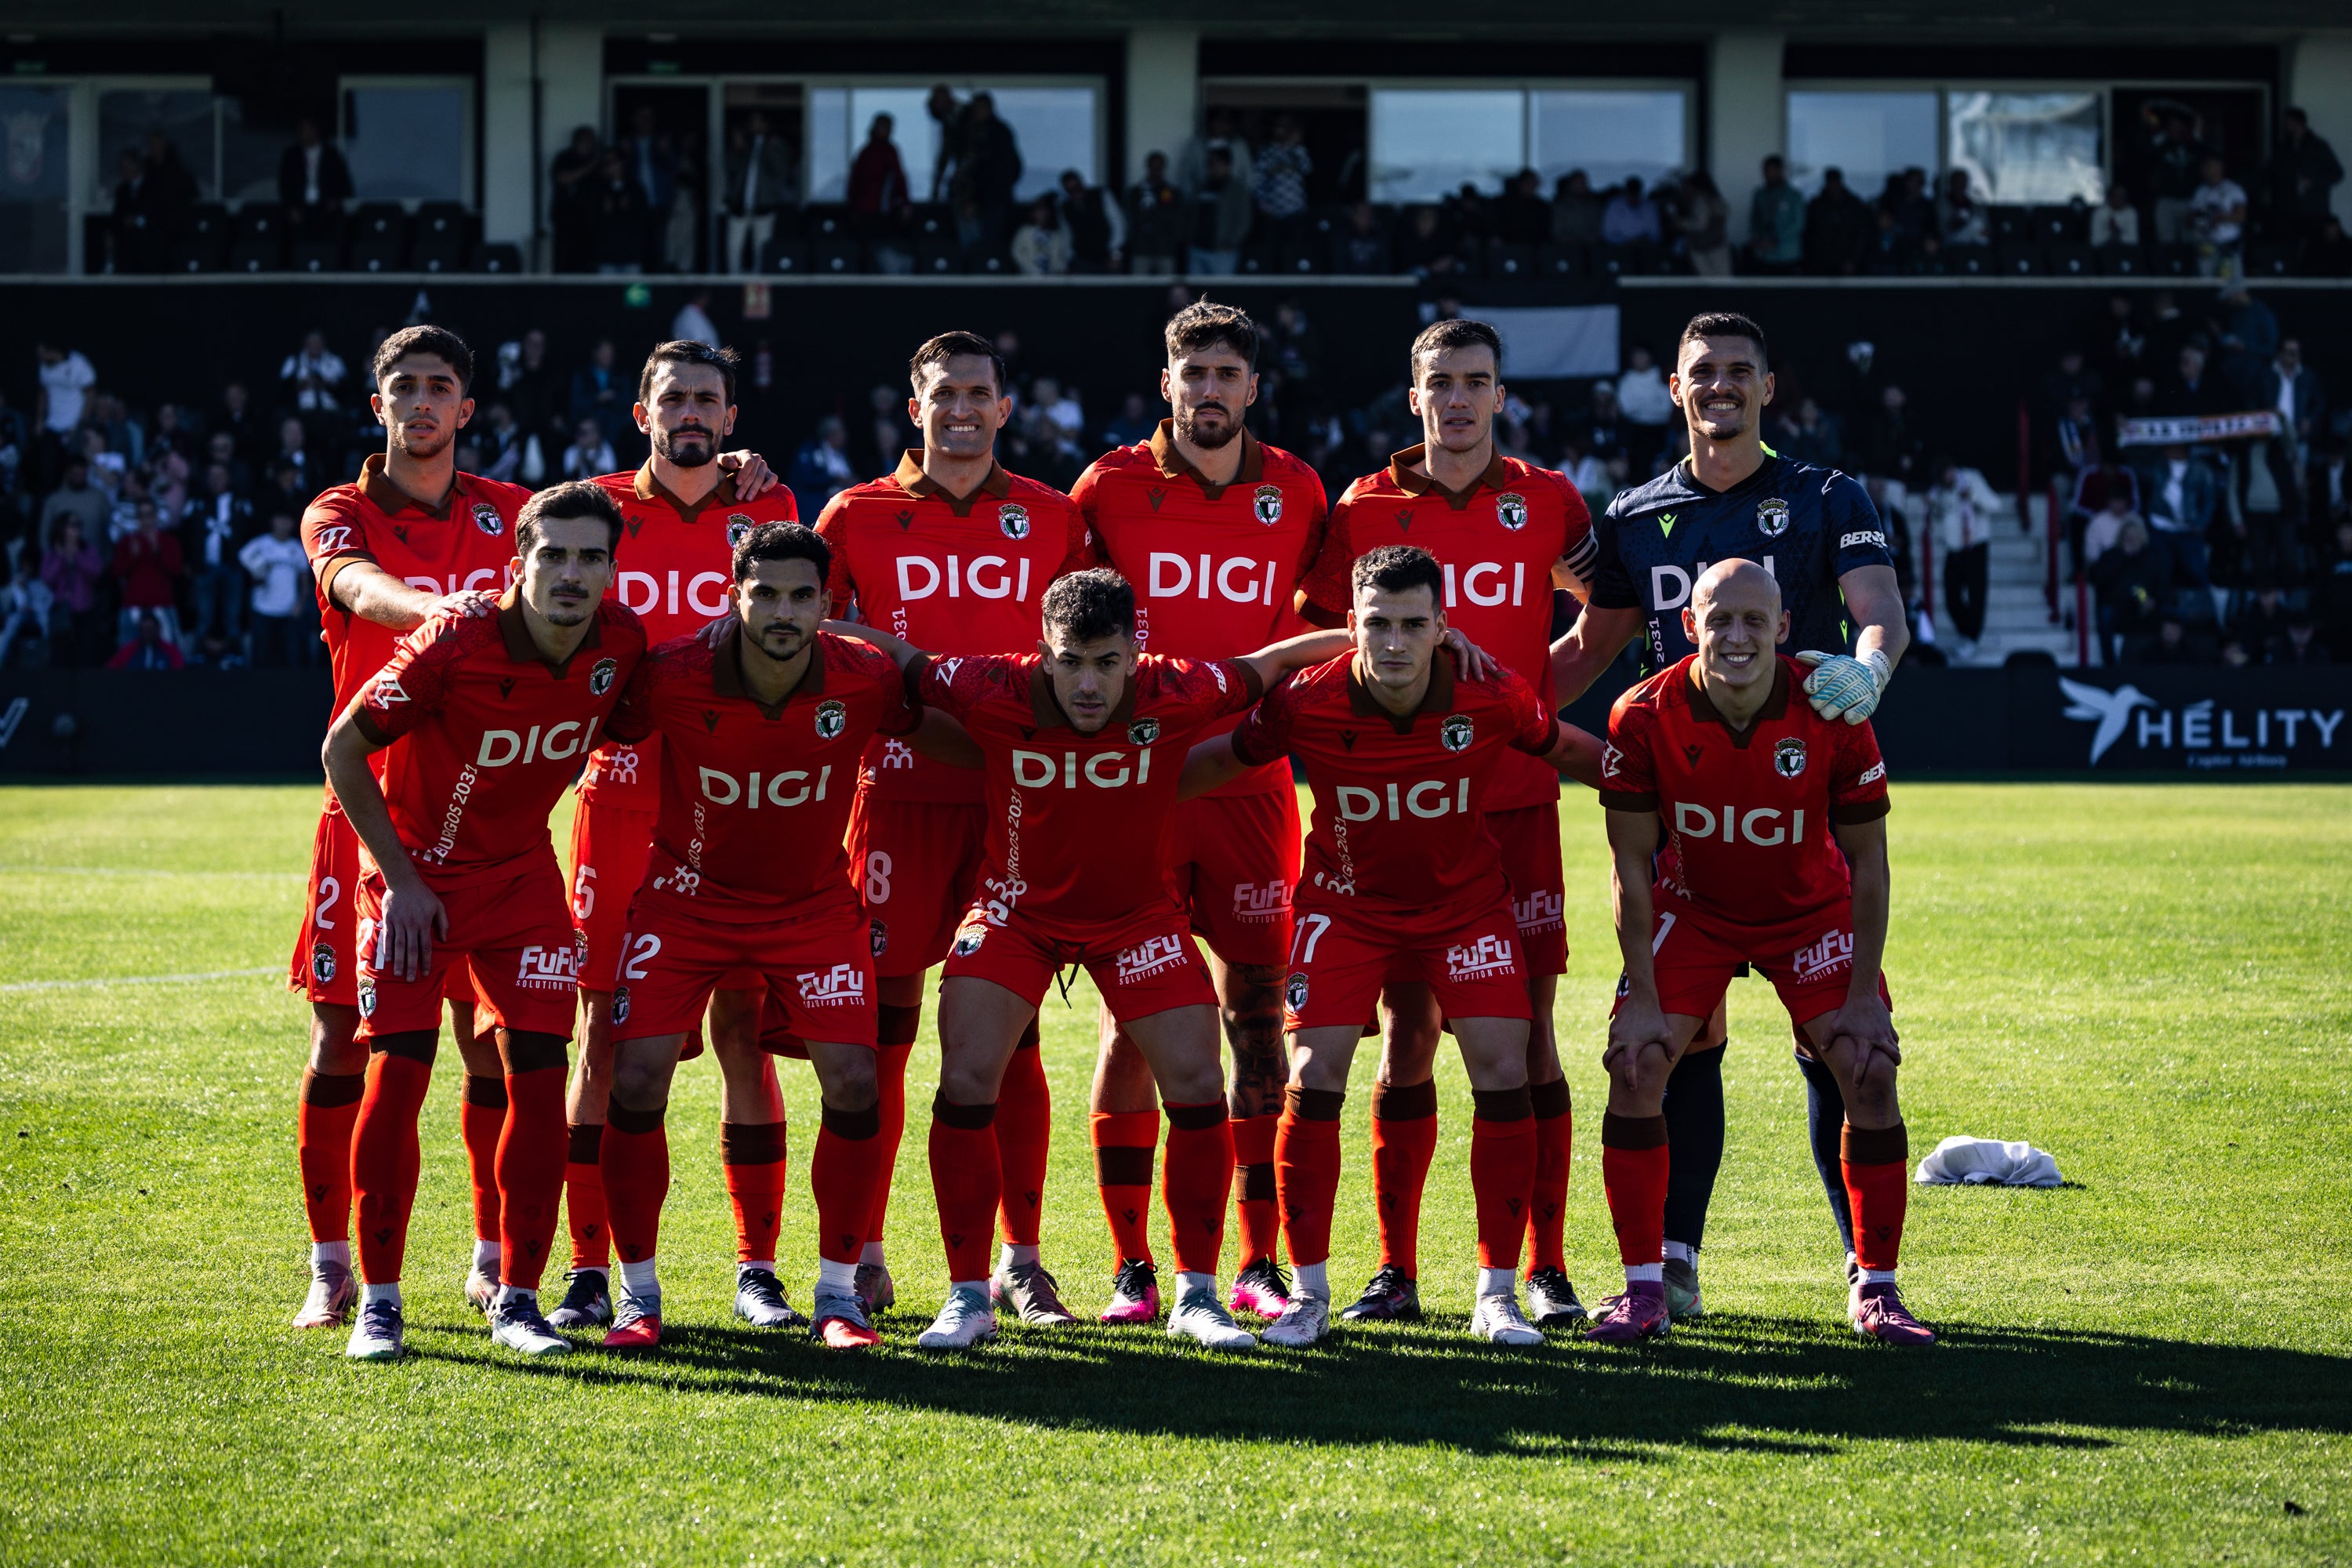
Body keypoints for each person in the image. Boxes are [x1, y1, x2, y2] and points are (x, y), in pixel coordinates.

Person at [831, 571, 1355, 1351]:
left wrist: (1374, 639)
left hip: (1137, 919)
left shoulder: (1178, 687)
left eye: (1106, 663)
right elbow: (902, 659)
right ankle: (969, 1296)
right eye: (1070, 661)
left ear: (1134, 653)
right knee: (965, 1077)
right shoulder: (991, 684)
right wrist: (802, 631)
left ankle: (1197, 1294)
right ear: (1042, 652)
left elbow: (1273, 661)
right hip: (1013, 912)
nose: (1087, 683)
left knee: (1198, 1079)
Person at [1548, 311, 1908, 1320]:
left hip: (1800, 793)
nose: (1721, 386)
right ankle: (1671, 1265)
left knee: (1836, 1046)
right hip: (1682, 803)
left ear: (1767, 387)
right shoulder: (1636, 513)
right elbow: (1590, 648)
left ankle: (1868, 1273)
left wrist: (1871, 670)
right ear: (1675, 388)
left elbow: (1879, 610)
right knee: (1681, 1040)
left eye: (1739, 371)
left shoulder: (1826, 495)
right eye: (1702, 371)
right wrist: (1492, 707)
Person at [1184, 545, 1599, 1346]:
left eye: (1413, 624)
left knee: (1505, 1068)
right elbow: (1225, 757)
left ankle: (1497, 1294)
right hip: (1345, 907)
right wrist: (1125, 785)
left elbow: (1571, 751)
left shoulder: (1491, 693)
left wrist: (1677, 782)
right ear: (1352, 625)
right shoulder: (1309, 698)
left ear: (1443, 627)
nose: (1395, 641)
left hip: (1465, 907)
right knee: (1312, 1072)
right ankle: (1308, 1295)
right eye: (1379, 623)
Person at [588, 521, 964, 1352]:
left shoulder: (863, 676)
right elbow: (593, 722)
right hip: (684, 902)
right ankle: (636, 1296)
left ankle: (838, 1296)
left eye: (802, 596)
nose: (784, 612)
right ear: (735, 595)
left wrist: (1024, 757)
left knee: (856, 1081)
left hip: (811, 907)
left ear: (828, 604)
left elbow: (934, 729)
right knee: (638, 1074)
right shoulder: (673, 674)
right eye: (766, 594)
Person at [1296, 318, 1599, 1327]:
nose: (1459, 399)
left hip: (1515, 805)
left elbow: (1606, 608)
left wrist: (1526, 701)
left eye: (1476, 381)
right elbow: (1327, 633)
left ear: (1500, 395)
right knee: (1408, 1034)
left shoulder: (1549, 498)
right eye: (1442, 382)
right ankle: (1396, 1268)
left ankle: (1543, 1265)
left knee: (1530, 1040)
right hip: (1405, 808)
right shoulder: (1362, 507)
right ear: (1414, 395)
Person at [321, 481, 648, 1362]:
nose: (571, 573)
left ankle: (518, 1300)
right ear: (519, 563)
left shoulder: (622, 645)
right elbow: (342, 748)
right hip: (414, 883)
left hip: (520, 885)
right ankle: (379, 1305)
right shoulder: (456, 639)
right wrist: (401, 881)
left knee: (540, 1079)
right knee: (398, 1075)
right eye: (554, 554)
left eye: (590, 557)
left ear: (611, 571)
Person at [811, 332, 1096, 1319]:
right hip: (895, 798)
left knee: (1010, 1040)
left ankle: (1019, 1258)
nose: (962, 409)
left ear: (1005, 408)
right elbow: (818, 636)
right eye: (944, 394)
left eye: (979, 393)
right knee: (880, 1040)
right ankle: (865, 1252)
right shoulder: (855, 514)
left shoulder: (1054, 517)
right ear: (915, 407)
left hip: (1014, 805)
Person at [1587, 558, 1930, 1346]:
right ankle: (1645, 1288)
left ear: (1782, 626)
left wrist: (1863, 997)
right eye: (1719, 619)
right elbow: (1629, 868)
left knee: (1869, 1065)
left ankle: (1877, 1288)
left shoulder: (1832, 708)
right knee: (1635, 1061)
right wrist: (1641, 994)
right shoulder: (1642, 714)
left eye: (1753, 620)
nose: (1736, 635)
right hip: (1694, 911)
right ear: (1690, 626)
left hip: (1808, 913)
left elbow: (1870, 865)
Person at [1070, 301, 1333, 1324]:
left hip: (1250, 787)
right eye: (1195, 374)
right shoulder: (1108, 487)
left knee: (1258, 1016)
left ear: (1253, 386)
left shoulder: (1297, 489)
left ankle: (1258, 1258)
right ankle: (1134, 1266)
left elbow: (1332, 612)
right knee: (1132, 1023)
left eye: (1227, 374)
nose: (1210, 391)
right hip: (1135, 787)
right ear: (1167, 384)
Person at [287, 326, 535, 1334]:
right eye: (405, 387)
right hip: (370, 807)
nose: (422, 401)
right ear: (378, 404)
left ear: (466, 408)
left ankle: (490, 1256)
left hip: (485, 813)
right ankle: (331, 1264)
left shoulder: (510, 509)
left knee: (491, 1043)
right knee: (342, 1041)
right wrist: (442, 613)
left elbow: (612, 526)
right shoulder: (340, 510)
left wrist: (734, 472)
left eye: (440, 387)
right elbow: (356, 585)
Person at [551, 341, 793, 1334]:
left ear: (731, 418)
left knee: (743, 1030)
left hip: (732, 808)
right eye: (673, 398)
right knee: (602, 1040)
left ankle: (758, 1268)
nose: (689, 412)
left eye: (707, 399)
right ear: (641, 413)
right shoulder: (593, 511)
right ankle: (588, 1268)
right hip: (618, 803)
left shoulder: (770, 511)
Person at [1926, 456, 1999, 657]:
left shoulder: (1972, 479)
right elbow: (1939, 518)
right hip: (1954, 549)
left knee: (1976, 596)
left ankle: (1972, 638)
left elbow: (1995, 505)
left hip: (1975, 546)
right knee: (1951, 598)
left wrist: (1973, 496)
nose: (1946, 479)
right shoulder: (1938, 490)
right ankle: (1966, 634)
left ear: (1952, 469)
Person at [182, 459, 252, 663]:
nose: (215, 481)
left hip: (233, 568)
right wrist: (190, 563)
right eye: (211, 476)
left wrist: (245, 565)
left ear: (228, 478)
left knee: (232, 617)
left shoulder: (240, 503)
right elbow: (185, 534)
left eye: (220, 476)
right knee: (204, 616)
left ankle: (237, 658)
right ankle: (197, 657)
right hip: (204, 568)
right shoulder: (196, 503)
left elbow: (250, 533)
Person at [724, 111, 793, 274]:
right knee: (733, 247)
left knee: (761, 249)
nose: (753, 125)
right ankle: (734, 280)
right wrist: (738, 149)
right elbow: (730, 169)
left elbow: (779, 169)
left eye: (757, 122)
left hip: (764, 206)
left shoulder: (776, 144)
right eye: (752, 122)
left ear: (766, 124)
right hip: (740, 206)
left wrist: (768, 146)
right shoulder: (745, 146)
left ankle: (759, 281)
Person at [108, 499, 183, 650]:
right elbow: (116, 573)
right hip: (133, 604)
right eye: (141, 515)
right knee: (128, 652)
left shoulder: (169, 541)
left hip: (162, 604)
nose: (146, 520)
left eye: (149, 515)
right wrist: (132, 556)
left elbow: (176, 570)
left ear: (156, 516)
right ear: (137, 518)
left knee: (170, 651)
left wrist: (158, 552)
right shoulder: (127, 542)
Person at [241, 509, 309, 667]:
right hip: (262, 608)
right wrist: (258, 573)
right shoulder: (260, 544)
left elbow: (305, 582)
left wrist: (300, 605)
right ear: (273, 521)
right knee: (261, 658)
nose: (283, 524)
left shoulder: (297, 548)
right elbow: (243, 562)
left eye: (287, 520)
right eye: (280, 519)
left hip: (289, 611)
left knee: (290, 659)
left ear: (293, 523)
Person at [2264, 107, 2342, 241]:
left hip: (2314, 211)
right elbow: (2270, 173)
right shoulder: (2283, 149)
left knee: (2314, 246)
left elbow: (2337, 173)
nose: (2285, 126)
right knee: (2288, 245)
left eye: (2288, 122)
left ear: (2298, 123)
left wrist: (2313, 181)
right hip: (2288, 211)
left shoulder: (2319, 147)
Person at [40, 516, 107, 667]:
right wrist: (61, 558)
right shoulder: (52, 552)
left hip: (85, 609)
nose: (74, 530)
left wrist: (77, 555)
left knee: (85, 654)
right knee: (60, 654)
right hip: (61, 609)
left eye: (77, 525)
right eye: (71, 526)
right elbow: (47, 578)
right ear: (61, 528)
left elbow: (97, 572)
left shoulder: (87, 550)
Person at [278, 118, 353, 237]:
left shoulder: (331, 155)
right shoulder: (292, 155)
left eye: (307, 130)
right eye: (301, 130)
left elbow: (343, 182)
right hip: (300, 206)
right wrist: (291, 207)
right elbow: (285, 184)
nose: (303, 134)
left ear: (315, 130)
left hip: (326, 206)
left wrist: (335, 199)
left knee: (338, 225)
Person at [1189, 147, 1251, 276]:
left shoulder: (1238, 190)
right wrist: (1189, 237)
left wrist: (1231, 243)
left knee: (1221, 287)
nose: (1214, 167)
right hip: (1198, 248)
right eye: (1210, 163)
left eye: (1218, 163)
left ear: (1227, 165)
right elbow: (1189, 214)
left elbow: (1244, 220)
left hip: (1223, 251)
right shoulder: (1201, 186)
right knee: (1196, 288)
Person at [550, 128, 603, 274]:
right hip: (565, 215)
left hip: (589, 218)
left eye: (591, 141)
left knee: (587, 257)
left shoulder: (597, 160)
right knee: (564, 256)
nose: (589, 144)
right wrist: (589, 167)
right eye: (585, 140)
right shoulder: (565, 158)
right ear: (576, 141)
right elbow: (563, 178)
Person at [2188, 155, 2248, 278]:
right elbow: (2189, 219)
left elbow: (2241, 216)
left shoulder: (2233, 189)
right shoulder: (2201, 191)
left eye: (2210, 167)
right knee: (2206, 282)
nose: (2207, 171)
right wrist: (2205, 219)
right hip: (2206, 245)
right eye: (2205, 167)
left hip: (2229, 245)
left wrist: (2219, 218)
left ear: (2220, 167)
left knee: (2231, 282)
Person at [1127, 151, 1185, 275]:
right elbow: (1131, 218)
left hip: (1165, 247)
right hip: (1141, 247)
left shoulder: (1172, 192)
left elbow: (1178, 219)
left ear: (1164, 167)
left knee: (1167, 283)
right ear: (1148, 167)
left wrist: (1174, 240)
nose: (1156, 169)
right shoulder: (1136, 192)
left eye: (1159, 166)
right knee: (1139, 283)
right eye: (1154, 166)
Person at [1746, 158, 1804, 274]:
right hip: (1763, 254)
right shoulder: (1760, 194)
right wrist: (1757, 240)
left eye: (1770, 171)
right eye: (1765, 171)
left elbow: (1798, 224)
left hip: (1787, 253)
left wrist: (1776, 240)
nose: (1767, 174)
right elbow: (1754, 220)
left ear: (1779, 171)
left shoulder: (1793, 196)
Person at [1675, 170, 1731, 275]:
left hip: (1703, 246)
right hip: (1717, 244)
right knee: (1722, 278)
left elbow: (1701, 224)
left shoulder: (1701, 199)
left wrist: (1681, 223)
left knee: (1710, 278)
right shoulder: (1715, 200)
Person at [1011, 197, 1071, 276]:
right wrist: (1031, 270)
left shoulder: (1056, 234)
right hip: (1029, 276)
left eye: (1044, 211)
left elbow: (1062, 256)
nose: (1042, 214)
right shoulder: (1025, 232)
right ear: (1033, 213)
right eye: (1039, 211)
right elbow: (1017, 253)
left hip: (1053, 277)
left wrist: (1060, 269)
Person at [106, 609, 185, 670]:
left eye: (151, 630)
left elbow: (179, 671)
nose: (148, 634)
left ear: (158, 630)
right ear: (140, 631)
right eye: (145, 630)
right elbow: (111, 669)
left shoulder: (171, 651)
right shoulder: (128, 651)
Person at [2091, 181, 2141, 249]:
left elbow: (2133, 240)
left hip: (2125, 250)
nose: (2119, 199)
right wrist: (2110, 233)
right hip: (2102, 251)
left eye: (2122, 196)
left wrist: (2118, 233)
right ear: (2110, 197)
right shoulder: (2099, 212)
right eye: (2116, 196)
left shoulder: (2131, 212)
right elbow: (2095, 241)